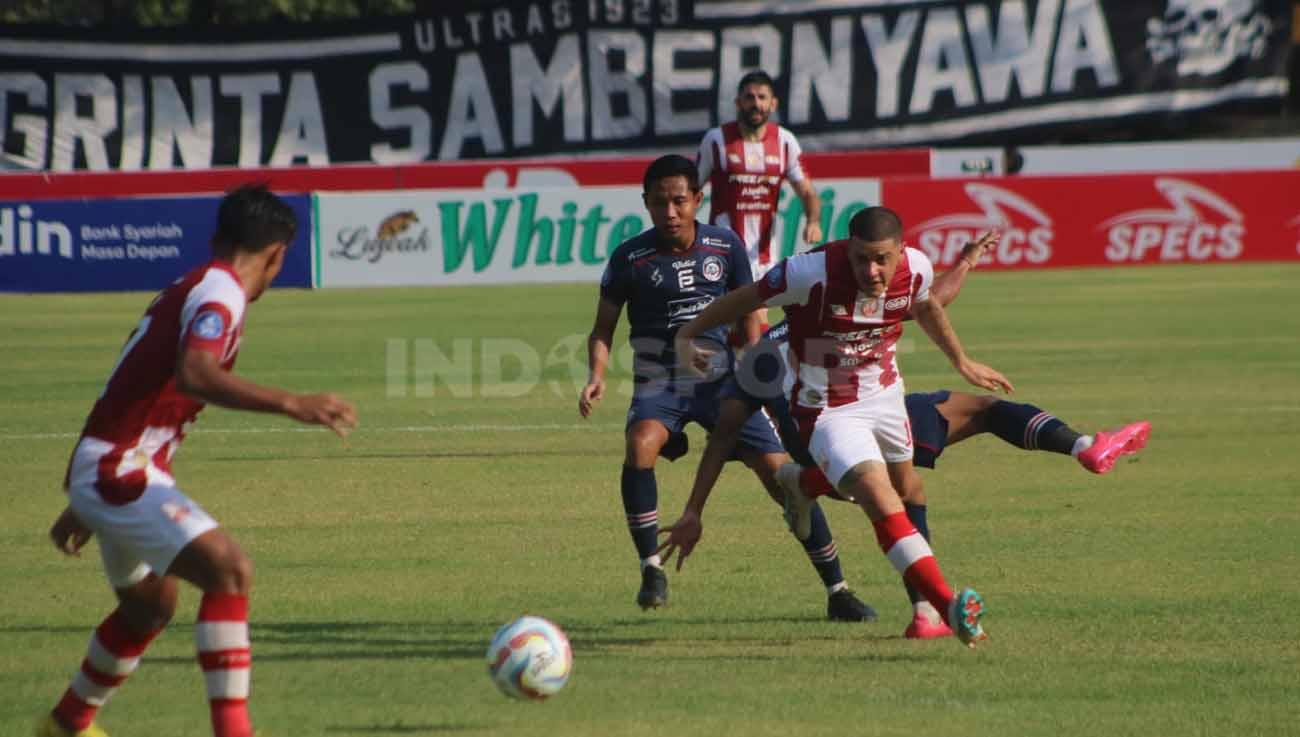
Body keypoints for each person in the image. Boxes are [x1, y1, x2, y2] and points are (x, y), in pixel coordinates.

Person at [38, 184, 358, 737]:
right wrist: (293, 403)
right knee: (228, 570)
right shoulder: (221, 294)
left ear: (218, 236)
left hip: (113, 467)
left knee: (149, 609)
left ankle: (67, 724)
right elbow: (197, 374)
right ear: (278, 255)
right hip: (119, 468)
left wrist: (87, 501)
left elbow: (133, 384)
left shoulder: (196, 285)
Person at [671, 205, 1013, 648]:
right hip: (828, 411)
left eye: (881, 259)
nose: (871, 270)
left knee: (909, 491)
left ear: (901, 251)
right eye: (860, 258)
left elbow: (926, 303)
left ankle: (801, 486)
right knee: (877, 494)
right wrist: (688, 333)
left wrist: (961, 360)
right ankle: (947, 606)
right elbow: (747, 297)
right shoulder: (808, 272)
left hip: (885, 398)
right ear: (847, 250)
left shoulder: (916, 267)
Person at [578, 154, 874, 622]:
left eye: (679, 201)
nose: (669, 212)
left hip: (722, 382)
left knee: (785, 480)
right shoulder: (630, 258)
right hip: (660, 381)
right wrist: (596, 376)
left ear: (698, 200)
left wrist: (756, 370)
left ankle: (838, 589)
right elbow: (602, 330)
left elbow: (751, 311)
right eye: (659, 203)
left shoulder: (724, 246)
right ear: (646, 204)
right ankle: (651, 568)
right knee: (641, 443)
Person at [696, 69, 823, 342]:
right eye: (749, 97)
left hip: (764, 252)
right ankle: (755, 374)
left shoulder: (785, 141)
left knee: (748, 319)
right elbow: (693, 190)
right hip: (722, 246)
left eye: (762, 97)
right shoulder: (716, 141)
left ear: (773, 103)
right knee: (749, 317)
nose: (756, 103)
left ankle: (747, 374)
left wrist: (812, 220)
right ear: (738, 103)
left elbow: (808, 192)